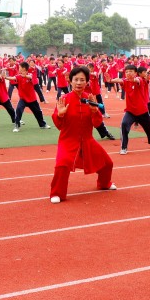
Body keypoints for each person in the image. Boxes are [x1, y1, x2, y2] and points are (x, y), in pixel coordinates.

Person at [50, 66, 116, 203]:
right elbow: (58, 125)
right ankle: (57, 193)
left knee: (107, 163)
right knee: (62, 165)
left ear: (87, 82)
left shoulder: (90, 99)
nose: (79, 83)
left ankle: (104, 183)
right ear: (70, 81)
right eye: (76, 80)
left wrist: (94, 111)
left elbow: (97, 123)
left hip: (87, 140)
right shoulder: (64, 99)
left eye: (82, 80)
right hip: (68, 140)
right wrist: (60, 114)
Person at [106, 64, 150, 154]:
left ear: (135, 73)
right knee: (124, 125)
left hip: (142, 111)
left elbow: (137, 80)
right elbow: (119, 80)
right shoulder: (125, 81)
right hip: (130, 111)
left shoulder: (140, 80)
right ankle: (124, 147)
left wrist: (133, 79)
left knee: (149, 128)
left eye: (130, 71)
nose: (128, 73)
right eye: (126, 72)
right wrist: (110, 80)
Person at [8, 62, 51, 132]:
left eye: (19, 68)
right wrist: (5, 77)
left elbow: (30, 77)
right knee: (18, 110)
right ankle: (17, 125)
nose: (18, 69)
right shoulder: (18, 76)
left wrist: (25, 76)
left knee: (38, 112)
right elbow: (13, 78)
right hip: (23, 99)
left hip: (32, 99)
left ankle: (43, 124)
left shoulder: (30, 75)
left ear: (24, 68)